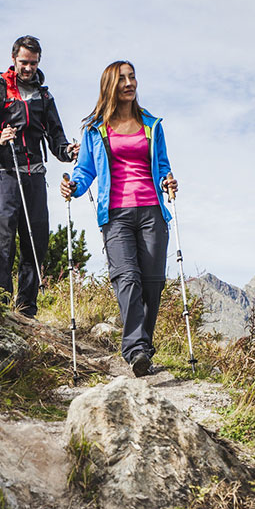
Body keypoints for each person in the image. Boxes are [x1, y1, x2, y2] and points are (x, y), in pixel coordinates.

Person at [60, 60, 178, 376]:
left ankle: (144, 348)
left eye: (132, 76)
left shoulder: (152, 125)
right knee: (126, 278)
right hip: (116, 214)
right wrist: (73, 185)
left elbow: (162, 164)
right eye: (122, 78)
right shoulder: (95, 129)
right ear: (110, 85)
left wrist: (168, 180)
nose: (129, 83)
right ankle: (137, 350)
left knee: (153, 283)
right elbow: (85, 170)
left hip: (153, 210)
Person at [0, 35, 78, 318]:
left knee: (36, 241)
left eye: (33, 63)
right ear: (13, 60)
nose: (28, 68)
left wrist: (69, 150)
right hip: (4, 172)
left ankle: (27, 309)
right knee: (4, 236)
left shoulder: (44, 97)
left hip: (35, 174)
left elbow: (57, 138)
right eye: (23, 62)